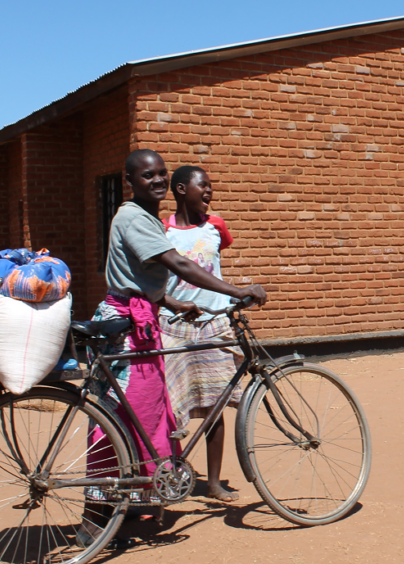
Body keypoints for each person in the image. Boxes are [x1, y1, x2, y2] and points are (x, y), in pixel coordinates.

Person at [82, 150, 266, 540]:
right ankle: (95, 514)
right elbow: (179, 264)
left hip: (143, 319)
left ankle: (132, 500)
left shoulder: (145, 218)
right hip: (129, 327)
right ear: (129, 180)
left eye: (161, 173)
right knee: (122, 418)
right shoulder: (137, 218)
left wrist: (169, 301)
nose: (157, 180)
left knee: (143, 418)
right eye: (147, 175)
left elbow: (134, 274)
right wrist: (237, 291)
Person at [160, 165, 243, 502]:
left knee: (215, 406)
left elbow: (213, 266)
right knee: (168, 408)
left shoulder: (216, 227)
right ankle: (168, 476)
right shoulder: (161, 230)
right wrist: (172, 302)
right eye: (202, 186)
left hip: (214, 324)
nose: (208, 192)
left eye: (210, 187)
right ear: (181, 189)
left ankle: (213, 482)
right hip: (174, 327)